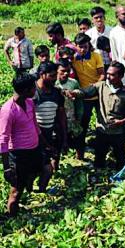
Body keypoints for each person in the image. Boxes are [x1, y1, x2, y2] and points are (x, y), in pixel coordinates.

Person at [70, 61, 125, 169]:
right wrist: (74, 93)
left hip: (118, 133)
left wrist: (121, 122)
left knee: (120, 159)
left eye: (112, 74)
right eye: (108, 73)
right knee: (99, 160)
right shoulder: (101, 86)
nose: (108, 77)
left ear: (121, 76)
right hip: (102, 130)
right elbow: (85, 92)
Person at [0, 74, 43, 215]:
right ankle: (12, 216)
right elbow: (3, 140)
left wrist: (44, 143)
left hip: (34, 149)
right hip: (19, 155)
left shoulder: (29, 102)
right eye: (33, 88)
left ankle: (28, 190)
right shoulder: (8, 110)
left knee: (34, 173)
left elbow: (34, 124)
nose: (35, 90)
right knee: (16, 190)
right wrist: (7, 168)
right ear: (25, 90)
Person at [33, 62, 67, 191]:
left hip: (49, 134)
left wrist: (63, 137)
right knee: (33, 168)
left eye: (55, 75)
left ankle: (41, 191)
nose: (55, 79)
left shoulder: (56, 93)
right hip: (34, 137)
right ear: (42, 75)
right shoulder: (32, 92)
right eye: (52, 76)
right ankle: (30, 190)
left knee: (47, 168)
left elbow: (61, 116)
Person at [72, 32, 105, 159]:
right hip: (83, 97)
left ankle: (101, 151)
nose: (82, 49)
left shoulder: (96, 56)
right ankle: (79, 154)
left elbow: (102, 74)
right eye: (80, 47)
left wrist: (95, 86)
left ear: (89, 45)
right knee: (83, 125)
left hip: (98, 94)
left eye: (85, 46)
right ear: (75, 46)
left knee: (102, 123)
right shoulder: (73, 59)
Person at [55, 59, 84, 158]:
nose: (66, 73)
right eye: (63, 71)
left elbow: (79, 101)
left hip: (71, 117)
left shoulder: (73, 82)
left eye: (68, 70)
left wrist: (79, 116)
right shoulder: (53, 83)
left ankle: (80, 158)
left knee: (78, 139)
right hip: (57, 119)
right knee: (58, 142)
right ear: (57, 71)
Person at [109, 6, 125, 84]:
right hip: (124, 71)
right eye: (123, 14)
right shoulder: (113, 33)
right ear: (117, 16)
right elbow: (114, 56)